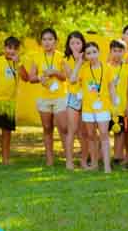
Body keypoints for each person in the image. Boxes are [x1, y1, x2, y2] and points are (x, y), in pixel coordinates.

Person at [72, 42, 116, 173]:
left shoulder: (107, 68)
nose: (92, 55)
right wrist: (79, 63)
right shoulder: (84, 68)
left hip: (103, 107)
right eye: (88, 53)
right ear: (85, 55)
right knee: (91, 135)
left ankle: (107, 166)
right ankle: (95, 164)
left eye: (94, 52)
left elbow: (112, 87)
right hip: (88, 108)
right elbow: (73, 79)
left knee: (103, 134)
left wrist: (115, 105)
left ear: (99, 52)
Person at [28, 28, 68, 167]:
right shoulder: (36, 56)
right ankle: (49, 160)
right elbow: (31, 77)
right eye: (44, 39)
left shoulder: (61, 56)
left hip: (60, 97)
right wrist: (40, 77)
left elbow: (65, 77)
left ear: (55, 42)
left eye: (50, 39)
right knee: (47, 127)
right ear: (41, 42)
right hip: (43, 98)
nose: (47, 42)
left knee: (63, 127)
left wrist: (55, 72)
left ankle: (67, 158)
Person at [0, 36, 26, 165]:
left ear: (18, 50)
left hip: (10, 103)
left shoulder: (18, 62)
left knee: (7, 132)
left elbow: (26, 77)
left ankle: (6, 160)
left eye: (14, 48)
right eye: (9, 48)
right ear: (4, 48)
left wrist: (19, 63)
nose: (11, 51)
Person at [62, 31, 89, 170]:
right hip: (73, 97)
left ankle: (84, 161)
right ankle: (69, 161)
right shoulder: (65, 60)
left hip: (87, 97)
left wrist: (83, 60)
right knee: (71, 130)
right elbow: (71, 79)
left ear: (83, 44)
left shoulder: (89, 58)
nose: (75, 46)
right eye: (72, 43)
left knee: (84, 132)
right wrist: (78, 62)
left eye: (78, 43)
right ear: (68, 45)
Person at [107, 39, 127, 165]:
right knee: (104, 132)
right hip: (106, 106)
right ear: (110, 51)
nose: (117, 54)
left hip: (121, 106)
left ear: (124, 52)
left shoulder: (127, 68)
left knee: (119, 131)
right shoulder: (105, 68)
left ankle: (118, 157)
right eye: (115, 51)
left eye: (120, 51)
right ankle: (102, 156)